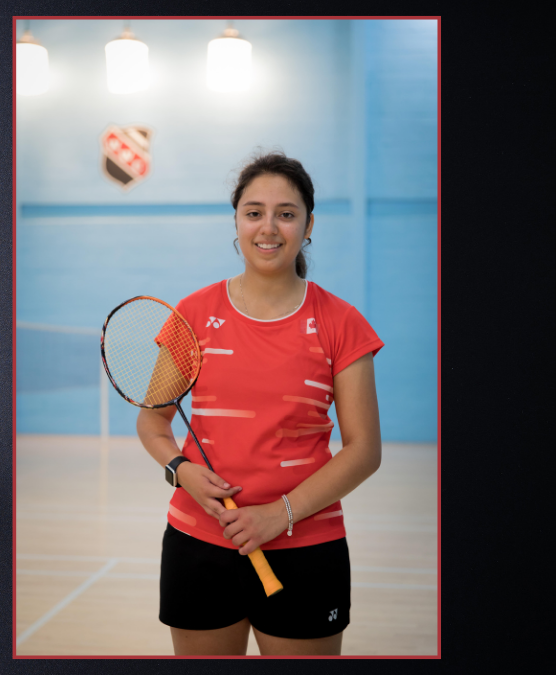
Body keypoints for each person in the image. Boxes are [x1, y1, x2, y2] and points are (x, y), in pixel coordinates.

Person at [137, 151, 384, 656]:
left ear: (308, 224)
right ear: (236, 221)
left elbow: (364, 450)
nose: (268, 227)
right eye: (254, 212)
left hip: (306, 549)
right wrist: (180, 469)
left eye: (286, 213)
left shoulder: (342, 322)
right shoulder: (193, 314)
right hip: (198, 544)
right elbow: (153, 421)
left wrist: (280, 514)